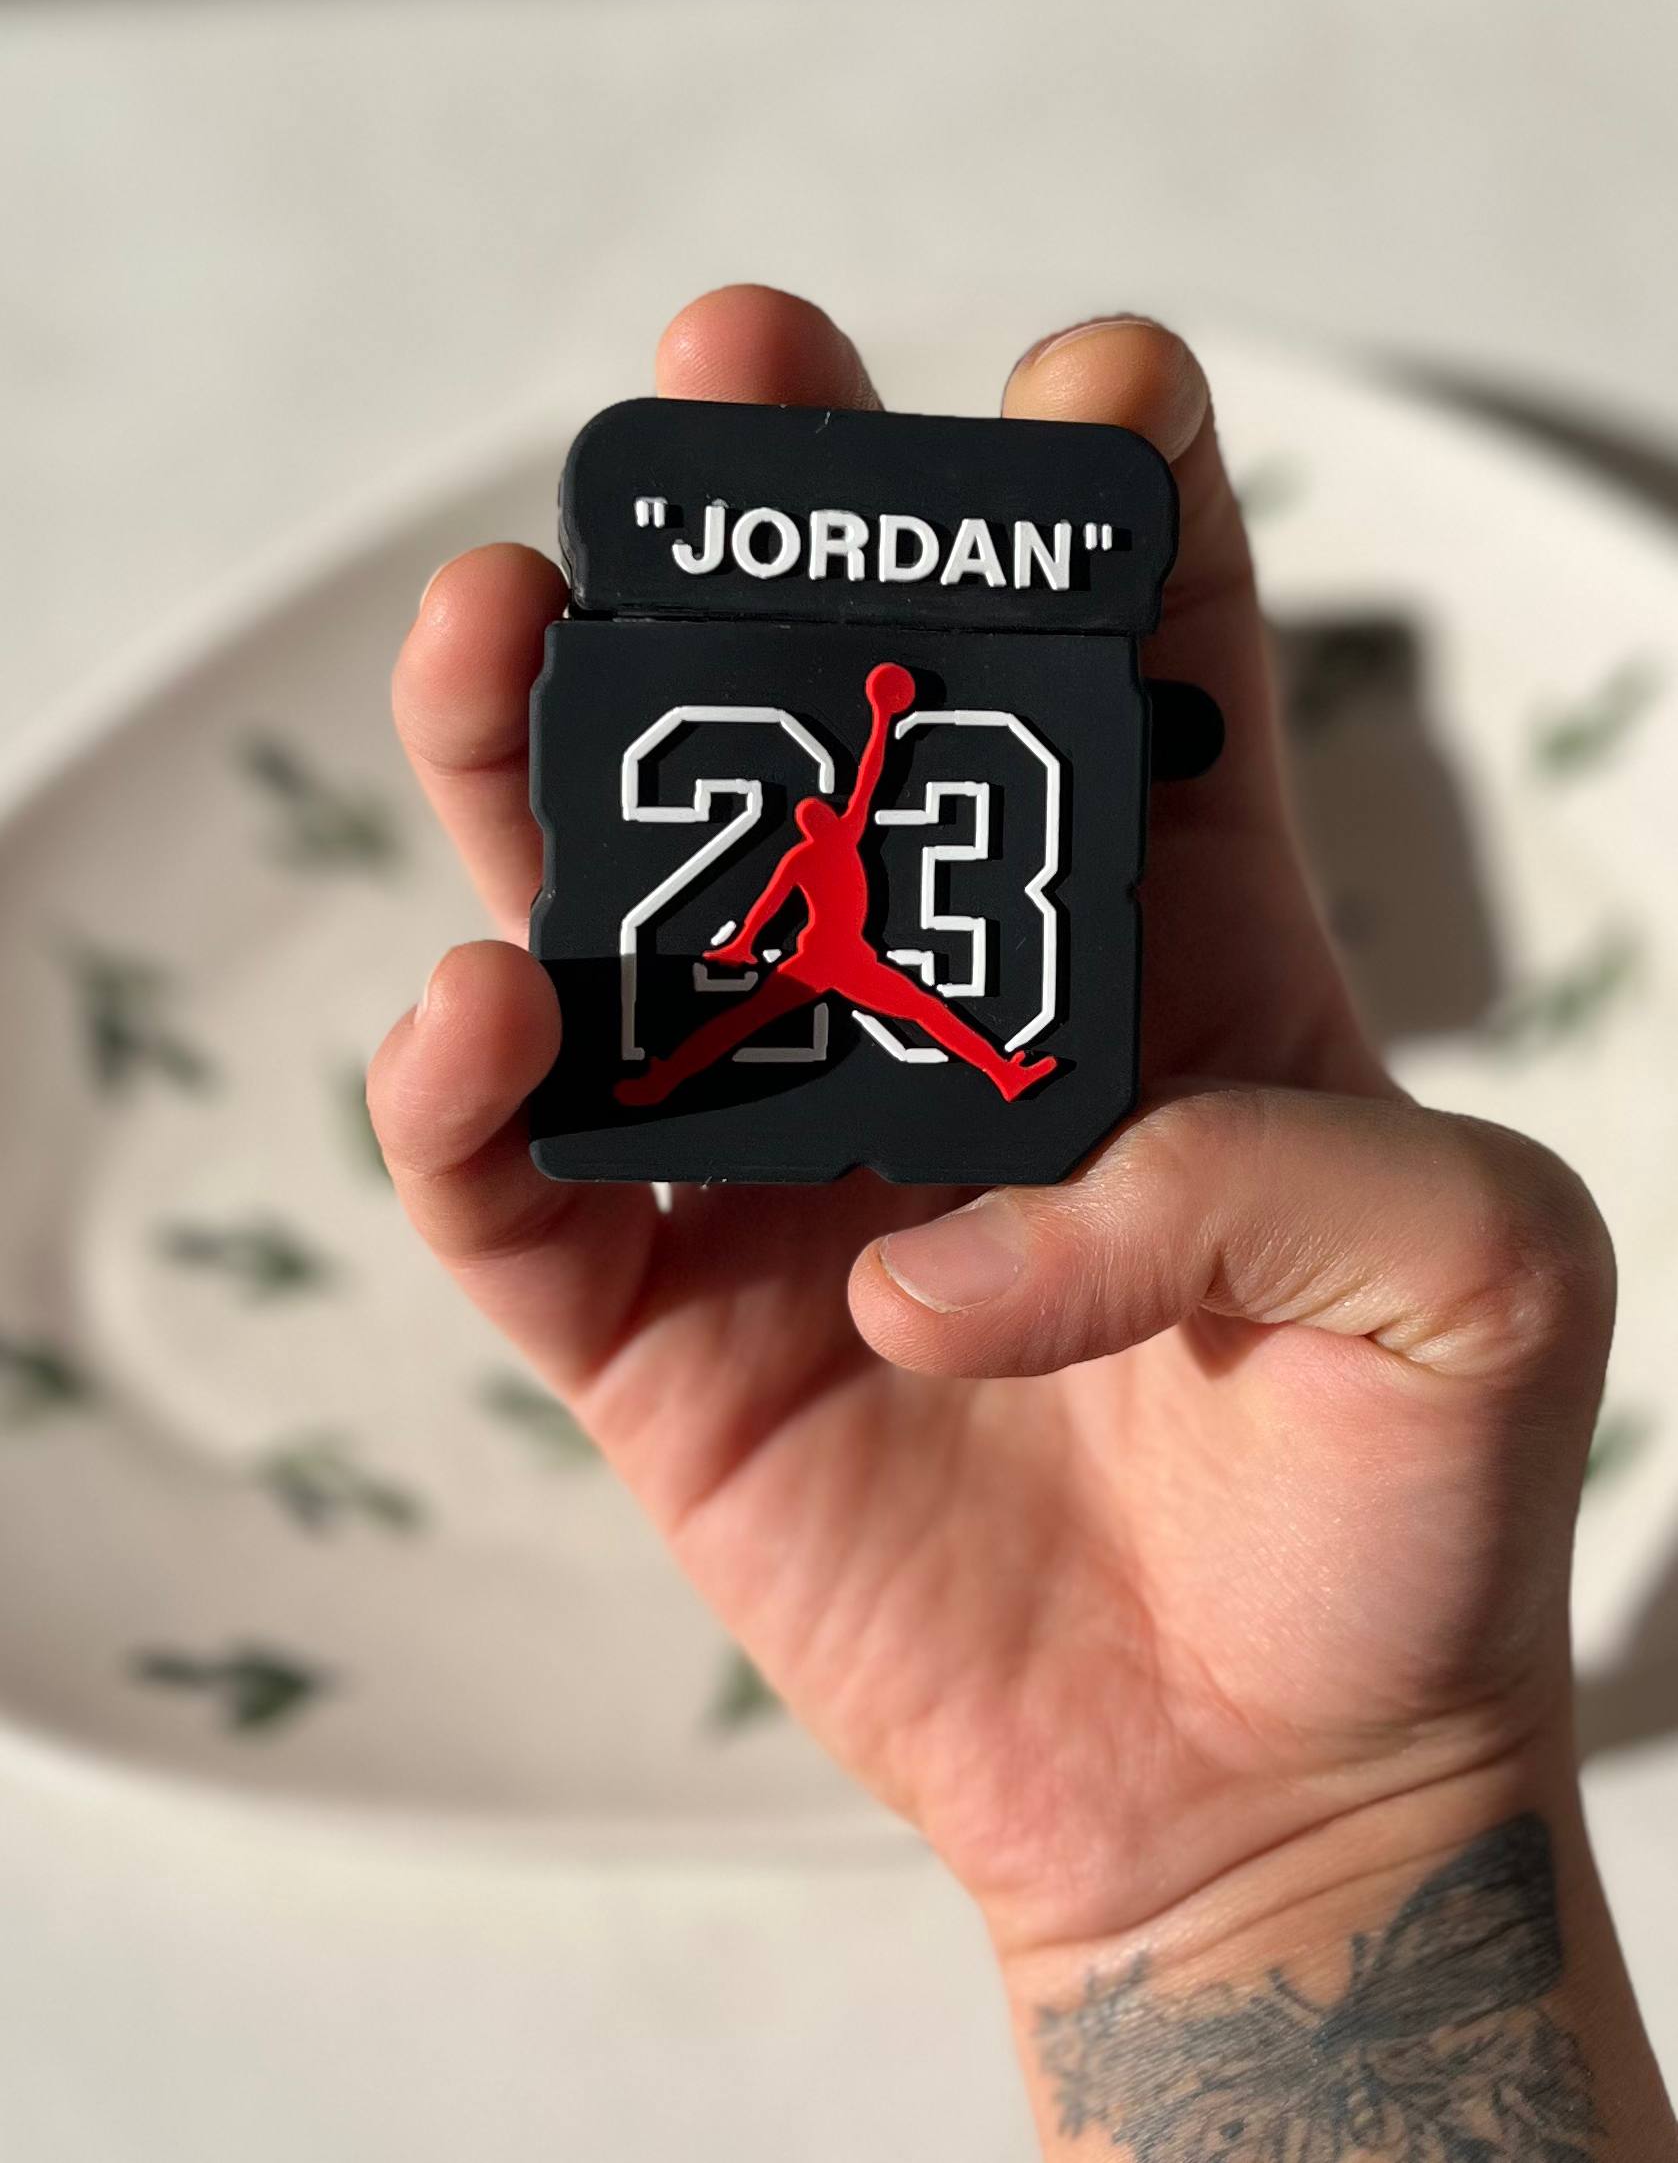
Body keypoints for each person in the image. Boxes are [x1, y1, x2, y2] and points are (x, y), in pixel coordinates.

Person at [372, 286, 1677, 2158]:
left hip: (868, 993)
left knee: (832, 1005)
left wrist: (1293, 1845)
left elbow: (838, 849)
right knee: (752, 1005)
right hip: (820, 992)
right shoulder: (790, 832)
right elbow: (802, 886)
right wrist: (1265, 1866)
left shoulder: (860, 821)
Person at [613, 656, 1057, 1108]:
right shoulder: (816, 853)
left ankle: (1004, 1073)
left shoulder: (839, 841)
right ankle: (663, 1080)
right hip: (828, 958)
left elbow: (871, 778)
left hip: (846, 958)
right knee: (751, 1022)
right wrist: (743, 942)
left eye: (823, 811)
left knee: (917, 1011)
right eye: (814, 815)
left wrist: (883, 722)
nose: (821, 815)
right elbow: (770, 904)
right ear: (811, 827)